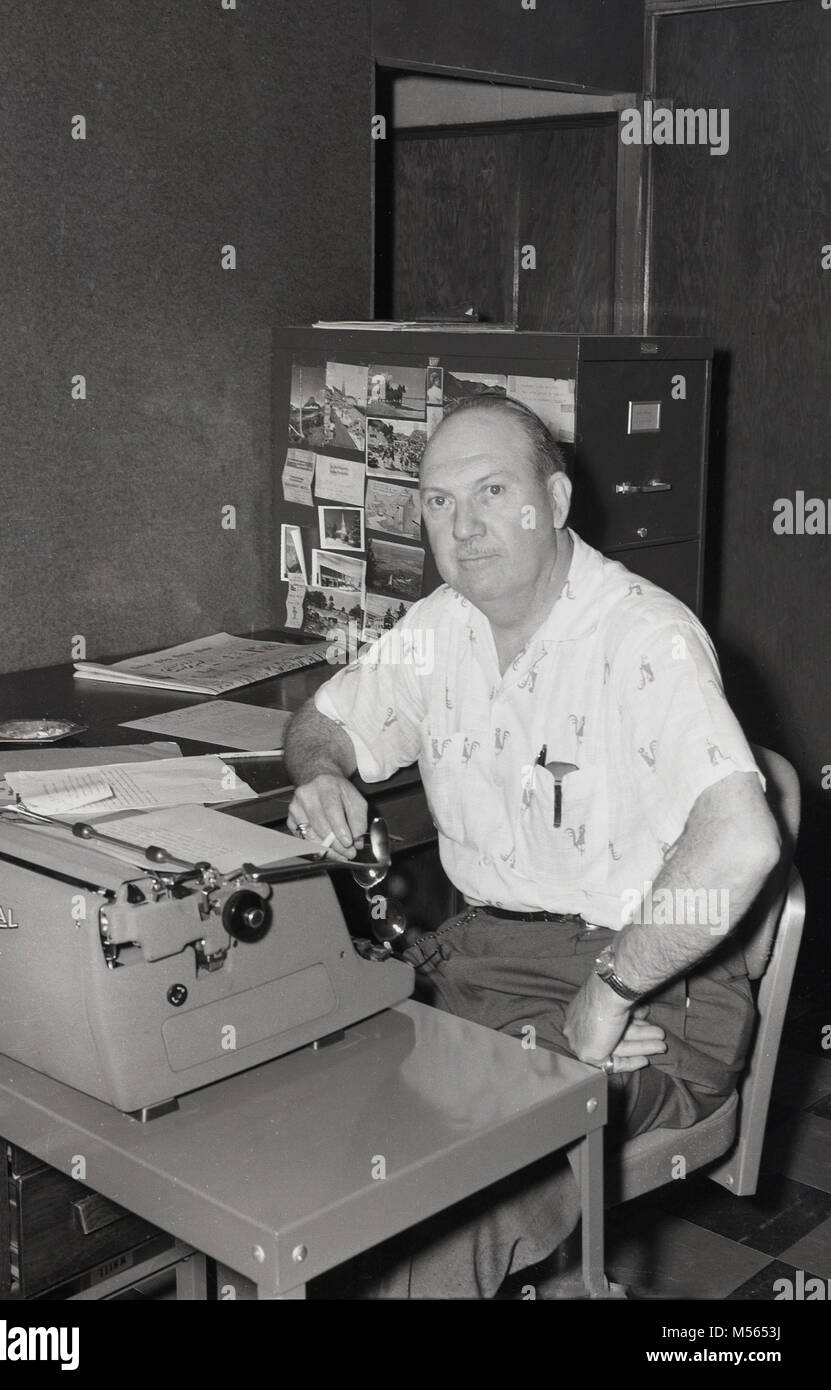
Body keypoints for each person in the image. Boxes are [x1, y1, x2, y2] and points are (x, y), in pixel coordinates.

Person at [284, 394, 781, 1298]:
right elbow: (320, 726)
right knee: (307, 1141)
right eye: (438, 501)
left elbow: (740, 841)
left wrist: (605, 996)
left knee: (457, 1203)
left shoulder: (645, 638)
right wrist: (322, 774)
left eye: (491, 491)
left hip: (650, 982)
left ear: (552, 502)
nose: (463, 527)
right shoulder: (444, 627)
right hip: (484, 960)